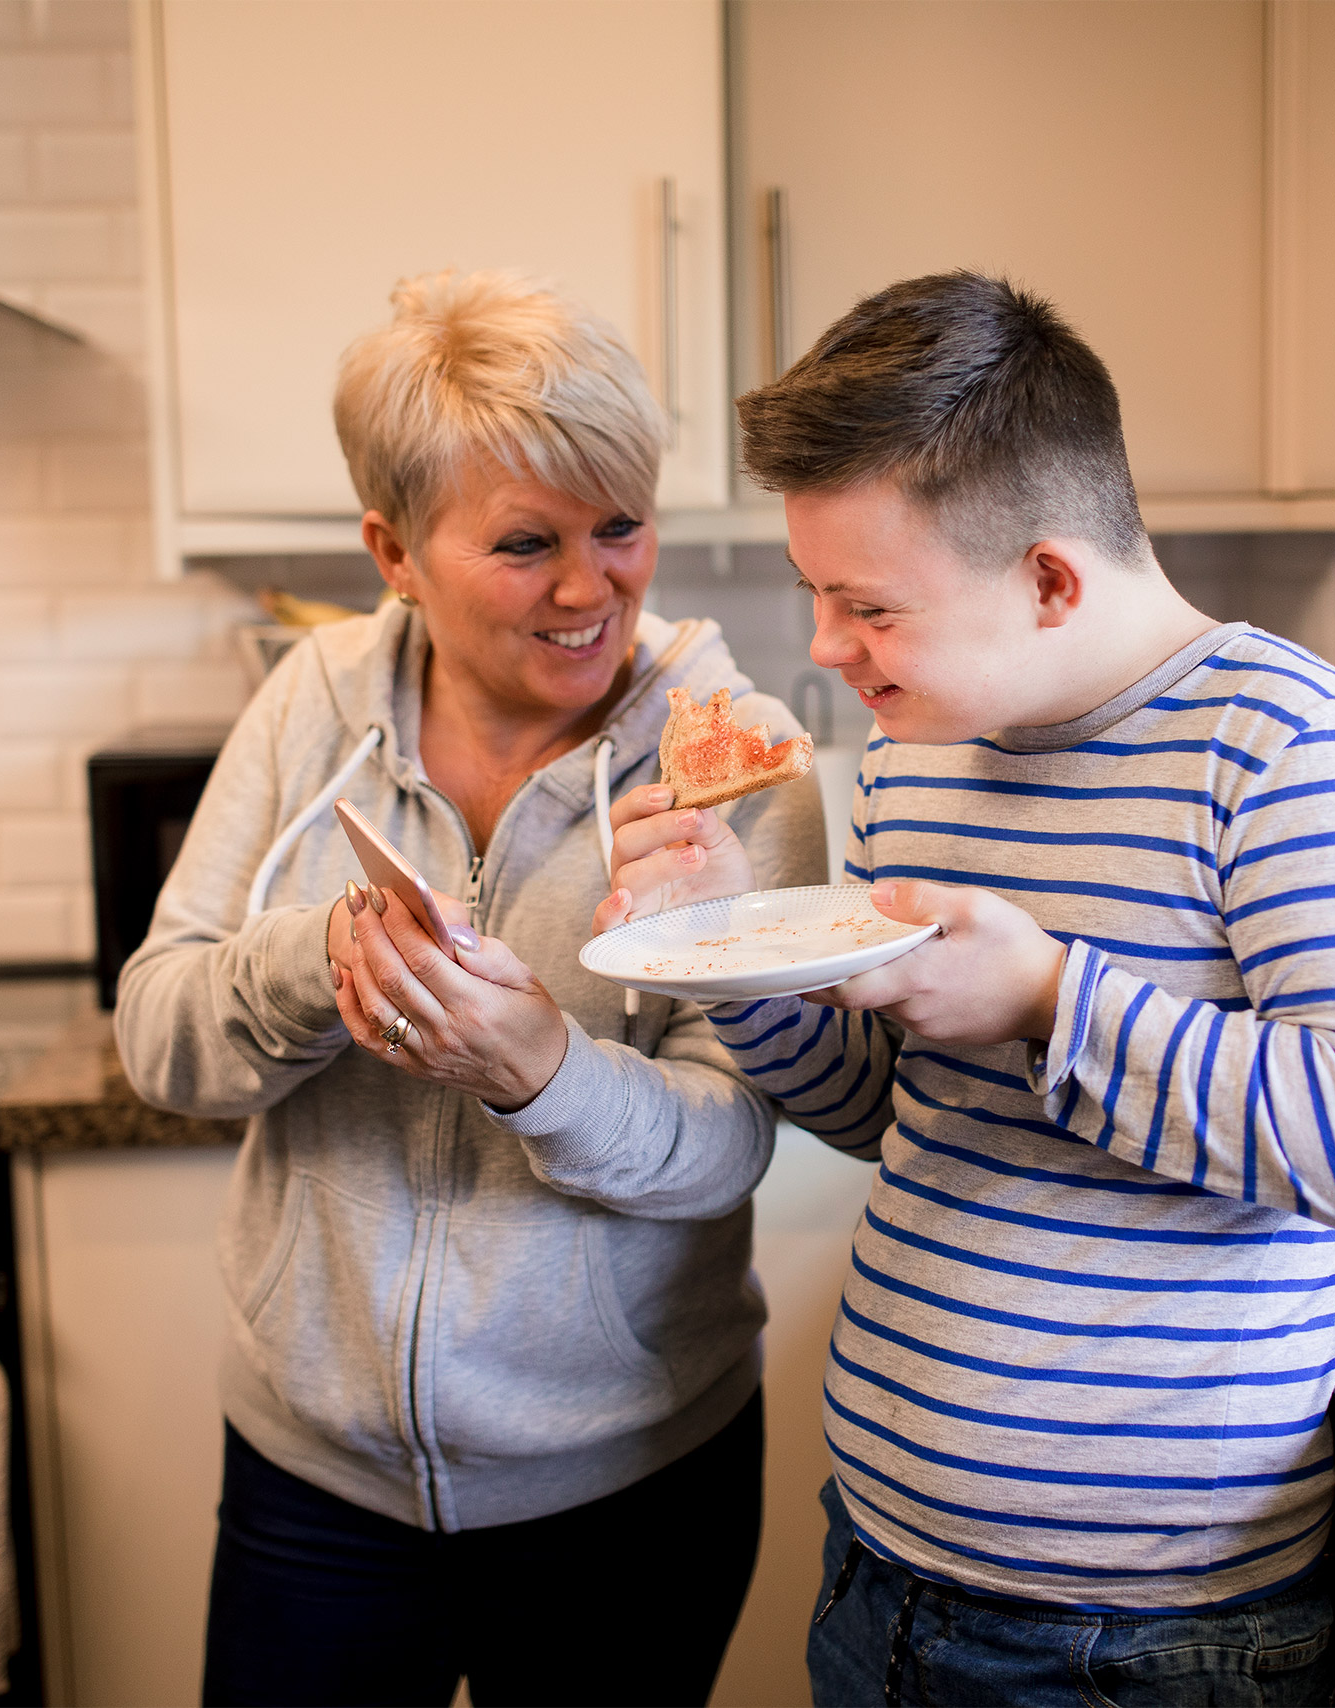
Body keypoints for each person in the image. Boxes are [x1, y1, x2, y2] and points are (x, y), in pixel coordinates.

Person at [599, 271, 1335, 1707]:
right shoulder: (919, 744)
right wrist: (729, 947)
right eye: (814, 595)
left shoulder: (1294, 756)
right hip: (877, 1561)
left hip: (1139, 1641)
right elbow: (886, 1112)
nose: (826, 649)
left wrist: (1054, 999)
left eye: (867, 605)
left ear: (1051, 578)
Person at [114, 269, 824, 1708]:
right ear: (394, 549)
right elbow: (159, 1039)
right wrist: (315, 966)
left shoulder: (730, 753)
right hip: (315, 1486)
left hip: (631, 1484)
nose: (591, 586)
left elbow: (736, 1137)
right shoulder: (311, 702)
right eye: (523, 543)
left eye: (621, 525)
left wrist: (543, 1074)